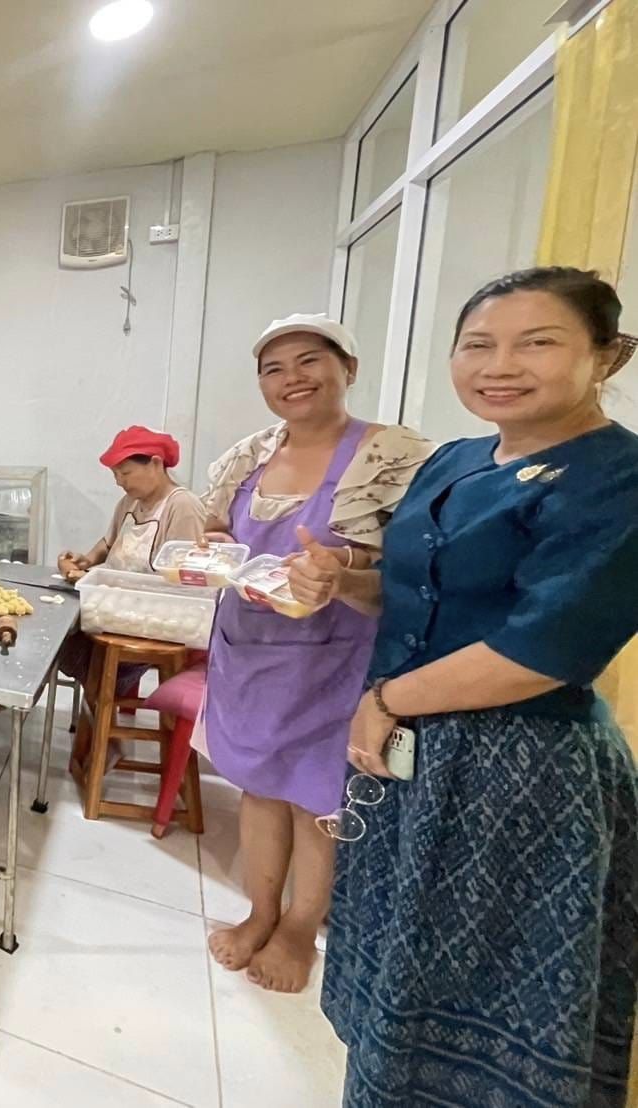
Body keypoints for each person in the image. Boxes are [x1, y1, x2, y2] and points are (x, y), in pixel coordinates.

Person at [319, 268, 638, 1106]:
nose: (500, 364)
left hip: (520, 766)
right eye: (478, 345)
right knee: (400, 953)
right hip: (410, 753)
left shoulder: (616, 478)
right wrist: (339, 583)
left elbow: (545, 647)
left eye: (537, 343)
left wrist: (387, 700)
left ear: (608, 355)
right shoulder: (454, 460)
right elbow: (412, 587)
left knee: (484, 970)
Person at [198, 313, 433, 994]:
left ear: (347, 369)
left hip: (336, 655)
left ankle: (300, 928)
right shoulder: (248, 455)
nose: (290, 379)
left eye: (308, 361)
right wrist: (212, 548)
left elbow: (416, 561)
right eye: (273, 369)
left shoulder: (394, 456)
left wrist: (342, 564)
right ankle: (259, 911)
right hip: (250, 650)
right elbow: (219, 524)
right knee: (259, 789)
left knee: (318, 801)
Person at [55, 425, 207, 687]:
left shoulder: (182, 506)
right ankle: (96, 687)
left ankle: (105, 690)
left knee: (73, 640)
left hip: (157, 616)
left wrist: (114, 587)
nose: (119, 482)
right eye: (115, 475)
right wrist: (87, 561)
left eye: (125, 473)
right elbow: (109, 542)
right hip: (118, 606)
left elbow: (184, 580)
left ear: (156, 464)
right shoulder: (130, 502)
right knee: (58, 624)